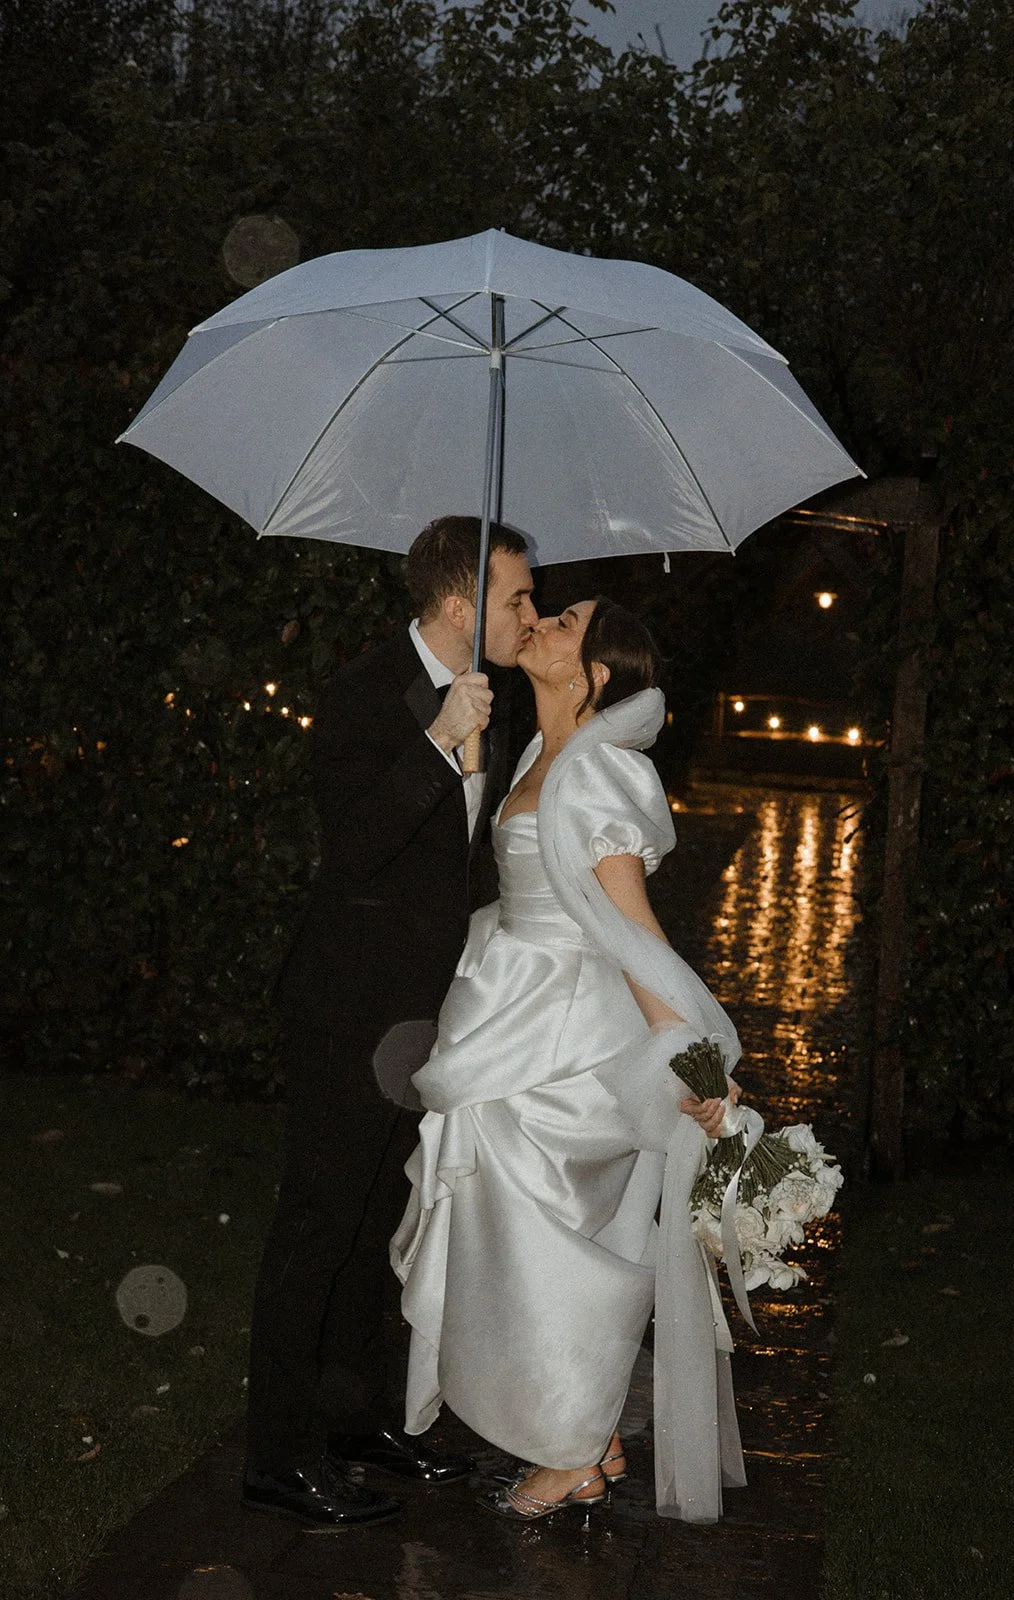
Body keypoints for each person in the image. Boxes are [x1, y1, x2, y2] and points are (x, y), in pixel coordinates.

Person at [391, 597, 747, 1525]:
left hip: (562, 1040)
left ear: (593, 677)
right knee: (517, 1239)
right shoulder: (536, 754)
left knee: (541, 1246)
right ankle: (586, 1436)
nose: (539, 622)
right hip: (504, 1012)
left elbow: (636, 935)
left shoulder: (598, 775)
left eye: (563, 624)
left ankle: (571, 1449)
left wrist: (694, 1063)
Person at [243, 516, 538, 1529]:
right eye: (513, 598)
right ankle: (275, 1456)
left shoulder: (487, 701)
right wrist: (437, 742)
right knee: (317, 1224)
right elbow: (358, 847)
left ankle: (354, 1416)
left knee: (376, 1221)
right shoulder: (366, 693)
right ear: (456, 604)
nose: (526, 614)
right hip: (346, 1006)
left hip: (420, 1012)